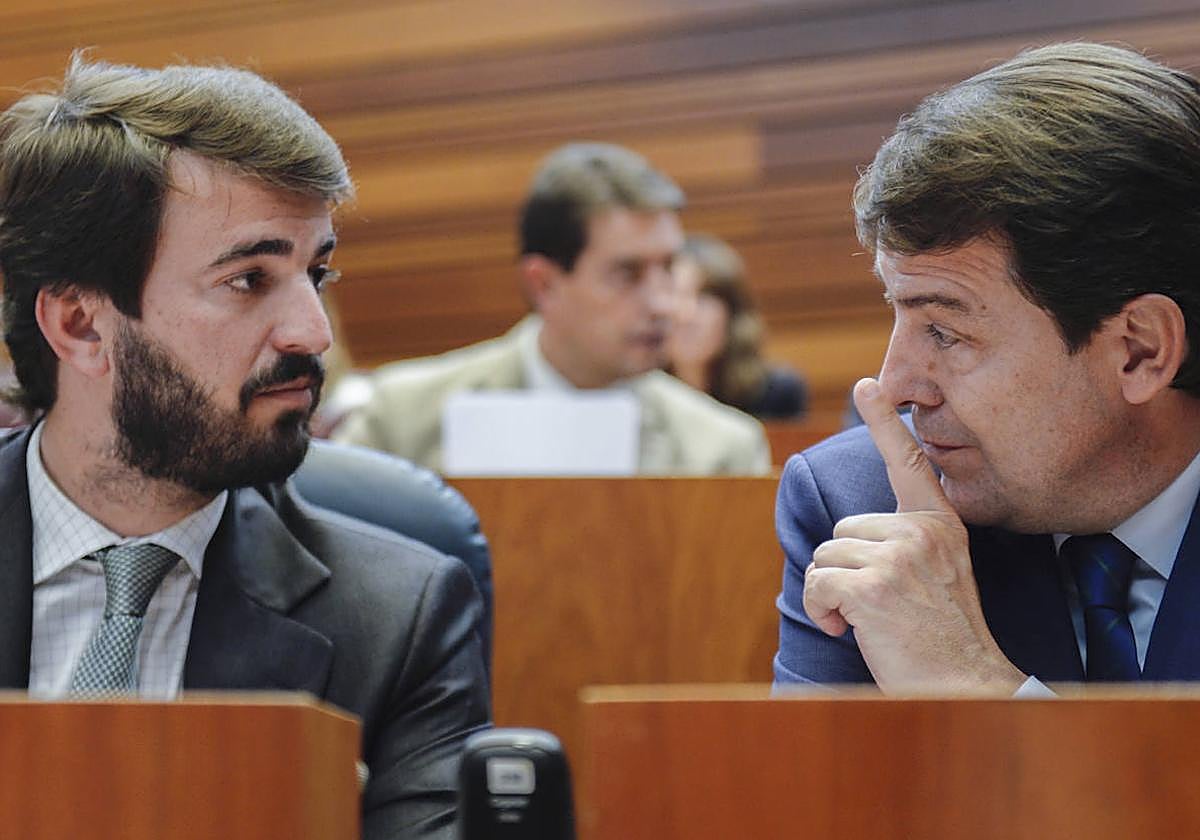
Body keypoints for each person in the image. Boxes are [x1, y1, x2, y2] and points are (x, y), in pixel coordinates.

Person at [0, 55, 490, 837]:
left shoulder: (398, 619)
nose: (312, 333)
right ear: (81, 325)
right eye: (248, 280)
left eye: (315, 273)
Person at [774, 42, 1200, 694]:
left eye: (944, 331)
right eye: (899, 312)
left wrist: (978, 690)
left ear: (1139, 350)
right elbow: (810, 798)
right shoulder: (864, 514)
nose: (894, 387)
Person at [335, 143, 770, 475]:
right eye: (627, 274)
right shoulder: (403, 419)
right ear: (543, 284)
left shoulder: (721, 450)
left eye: (668, 268)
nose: (663, 303)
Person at [666, 233, 807, 420]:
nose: (687, 314)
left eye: (704, 297)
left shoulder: (777, 392)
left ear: (732, 312)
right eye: (675, 295)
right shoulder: (633, 393)